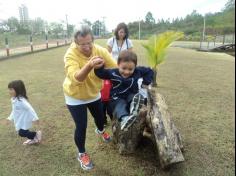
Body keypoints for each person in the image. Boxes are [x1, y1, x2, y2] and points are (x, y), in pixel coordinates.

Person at [63, 25, 117, 170]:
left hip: (93, 93)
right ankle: (82, 154)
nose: (86, 47)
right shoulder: (70, 54)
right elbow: (76, 78)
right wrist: (90, 65)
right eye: (82, 44)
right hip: (75, 96)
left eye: (89, 43)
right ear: (76, 42)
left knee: (100, 118)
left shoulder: (100, 50)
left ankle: (100, 131)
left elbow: (115, 67)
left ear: (92, 40)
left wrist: (106, 68)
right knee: (81, 126)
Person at [94, 50, 154, 131]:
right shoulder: (112, 72)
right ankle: (124, 119)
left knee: (135, 97)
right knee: (120, 105)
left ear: (135, 67)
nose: (126, 72)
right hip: (116, 98)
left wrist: (145, 82)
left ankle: (135, 108)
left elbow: (149, 71)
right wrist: (99, 66)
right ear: (118, 65)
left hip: (131, 95)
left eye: (130, 69)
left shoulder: (138, 71)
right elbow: (100, 73)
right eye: (124, 68)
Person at [101, 22, 133, 125]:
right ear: (117, 31)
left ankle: (122, 113)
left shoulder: (128, 42)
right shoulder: (111, 41)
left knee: (122, 91)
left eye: (123, 32)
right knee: (108, 92)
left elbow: (131, 57)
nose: (121, 34)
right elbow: (107, 54)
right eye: (120, 32)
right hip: (112, 69)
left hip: (124, 71)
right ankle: (106, 116)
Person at [7, 80, 42, 145]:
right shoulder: (13, 99)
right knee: (21, 132)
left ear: (18, 90)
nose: (9, 91)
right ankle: (34, 137)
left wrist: (35, 118)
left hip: (24, 119)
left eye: (11, 89)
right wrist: (9, 118)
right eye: (9, 89)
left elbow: (30, 109)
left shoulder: (21, 101)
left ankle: (35, 135)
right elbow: (14, 110)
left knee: (21, 133)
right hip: (19, 119)